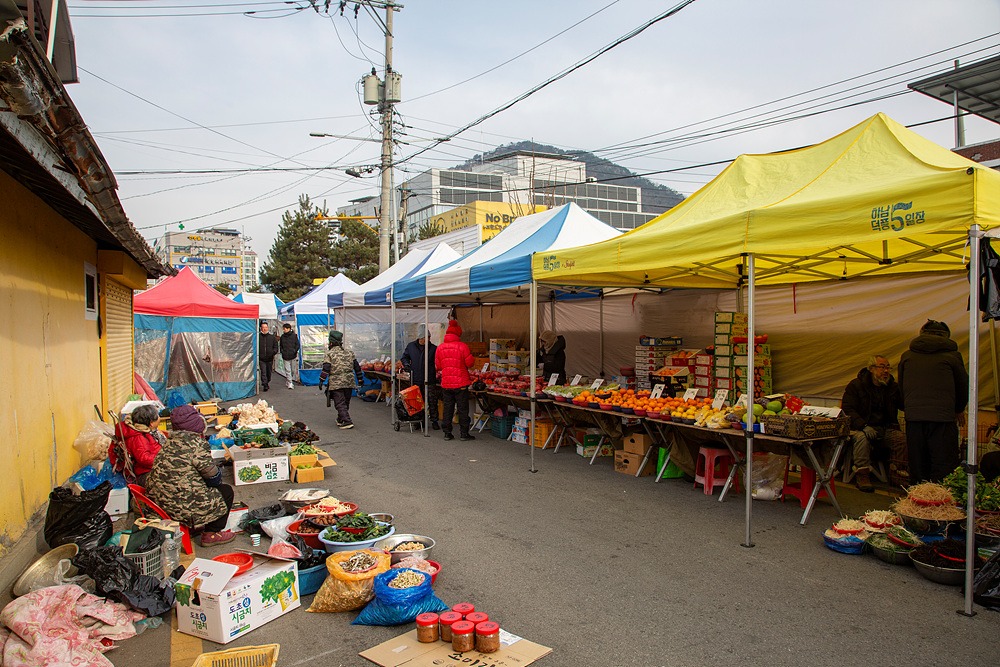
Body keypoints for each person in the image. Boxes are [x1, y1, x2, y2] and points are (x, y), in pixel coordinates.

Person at [145, 405, 236, 547]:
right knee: (226, 491)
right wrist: (216, 472)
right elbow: (213, 478)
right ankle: (211, 533)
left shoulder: (168, 442)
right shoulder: (196, 445)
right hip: (180, 508)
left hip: (158, 505)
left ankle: (196, 525)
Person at [898, 320, 969, 483]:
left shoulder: (907, 356)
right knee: (943, 463)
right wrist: (958, 409)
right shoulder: (953, 356)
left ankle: (916, 501)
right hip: (942, 418)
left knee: (917, 463)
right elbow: (963, 386)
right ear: (946, 336)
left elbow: (900, 387)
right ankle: (939, 502)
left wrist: (909, 408)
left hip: (914, 418)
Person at [841, 355, 906, 492]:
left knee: (901, 439)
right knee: (861, 438)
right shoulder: (856, 385)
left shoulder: (893, 387)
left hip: (884, 428)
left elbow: (903, 405)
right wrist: (863, 426)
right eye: (882, 367)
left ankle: (896, 473)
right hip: (859, 428)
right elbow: (848, 409)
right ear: (871, 369)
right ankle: (862, 475)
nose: (886, 371)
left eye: (888, 367)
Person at [435, 319, 475, 441]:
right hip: (461, 383)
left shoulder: (440, 348)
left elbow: (438, 366)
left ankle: (447, 433)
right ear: (458, 334)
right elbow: (470, 363)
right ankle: (464, 433)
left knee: (448, 408)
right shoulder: (463, 346)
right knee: (463, 409)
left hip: (446, 383)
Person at [109, 404, 164, 486]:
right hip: (145, 474)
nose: (159, 418)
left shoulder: (143, 431)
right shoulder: (138, 437)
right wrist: (163, 459)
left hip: (152, 467)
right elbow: (144, 459)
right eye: (158, 417)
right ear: (151, 423)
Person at [319, 330, 363, 429]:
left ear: (331, 342)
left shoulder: (330, 354)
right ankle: (340, 419)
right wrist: (360, 379)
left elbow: (326, 368)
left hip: (336, 381)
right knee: (346, 401)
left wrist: (321, 380)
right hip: (349, 380)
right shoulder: (349, 352)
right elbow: (356, 366)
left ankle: (347, 421)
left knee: (339, 402)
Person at [400, 325, 441, 429]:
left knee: (432, 401)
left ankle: (434, 421)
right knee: (417, 401)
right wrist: (406, 365)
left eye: (428, 338)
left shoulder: (434, 348)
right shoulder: (411, 346)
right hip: (416, 378)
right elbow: (404, 357)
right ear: (419, 338)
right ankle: (418, 421)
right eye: (423, 338)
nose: (425, 340)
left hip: (430, 378)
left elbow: (438, 362)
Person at [258, 321, 279, 392]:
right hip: (261, 358)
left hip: (270, 358)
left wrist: (273, 352)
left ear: (268, 328)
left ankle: (267, 381)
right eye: (263, 327)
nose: (264, 329)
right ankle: (265, 384)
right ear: (261, 328)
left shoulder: (272, 337)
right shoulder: (258, 337)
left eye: (266, 327)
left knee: (268, 372)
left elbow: (276, 347)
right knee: (263, 372)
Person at [279, 323, 300, 389]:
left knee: (292, 370)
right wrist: (282, 351)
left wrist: (294, 350)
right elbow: (281, 345)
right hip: (285, 355)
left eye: (285, 328)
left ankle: (289, 380)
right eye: (283, 328)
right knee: (287, 370)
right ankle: (290, 382)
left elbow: (297, 345)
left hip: (293, 355)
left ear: (289, 329)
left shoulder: (294, 336)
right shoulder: (282, 337)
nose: (284, 330)